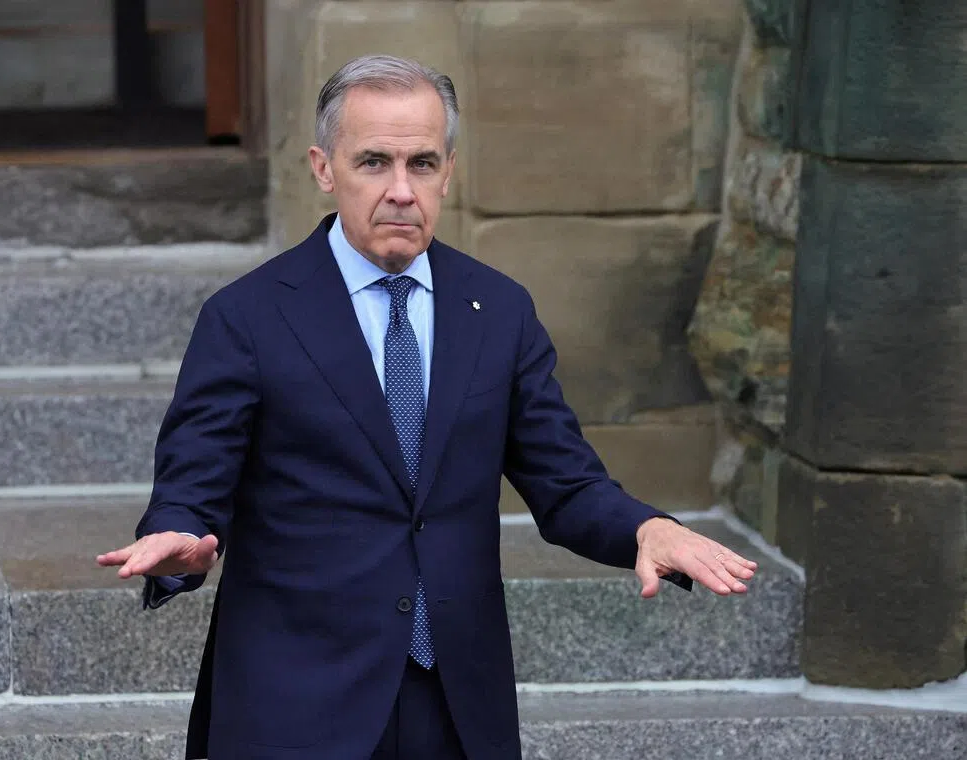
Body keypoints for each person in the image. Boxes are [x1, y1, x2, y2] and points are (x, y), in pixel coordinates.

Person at [97, 54, 756, 760]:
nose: (401, 191)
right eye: (374, 162)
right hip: (296, 702)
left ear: (449, 172)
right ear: (324, 169)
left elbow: (566, 484)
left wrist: (646, 529)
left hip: (455, 702)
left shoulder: (498, 311)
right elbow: (193, 482)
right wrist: (179, 541)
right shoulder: (247, 317)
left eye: (422, 163)